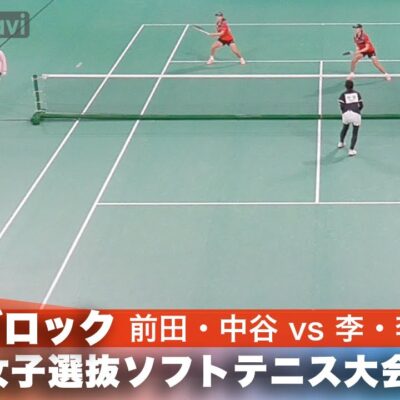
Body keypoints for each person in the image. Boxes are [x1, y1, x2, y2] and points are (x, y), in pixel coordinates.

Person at [338, 80, 363, 156]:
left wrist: (345, 113)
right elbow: (361, 105)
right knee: (355, 132)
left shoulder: (343, 94)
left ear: (345, 86)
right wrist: (357, 111)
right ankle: (351, 150)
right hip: (356, 113)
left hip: (346, 113)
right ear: (353, 86)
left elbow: (341, 106)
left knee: (345, 128)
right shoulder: (357, 94)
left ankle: (341, 142)